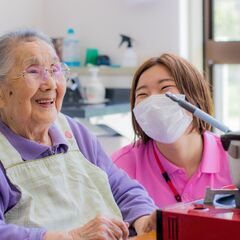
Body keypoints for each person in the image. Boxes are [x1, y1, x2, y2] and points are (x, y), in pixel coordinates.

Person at [0, 29, 157, 240]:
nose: (50, 84)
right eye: (34, 71)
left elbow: (120, 187)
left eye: (55, 69)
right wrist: (71, 237)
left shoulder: (74, 132)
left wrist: (145, 219)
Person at [112, 53, 232, 208]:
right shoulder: (121, 165)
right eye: (142, 94)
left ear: (194, 95)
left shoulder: (233, 158)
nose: (153, 102)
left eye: (165, 88)